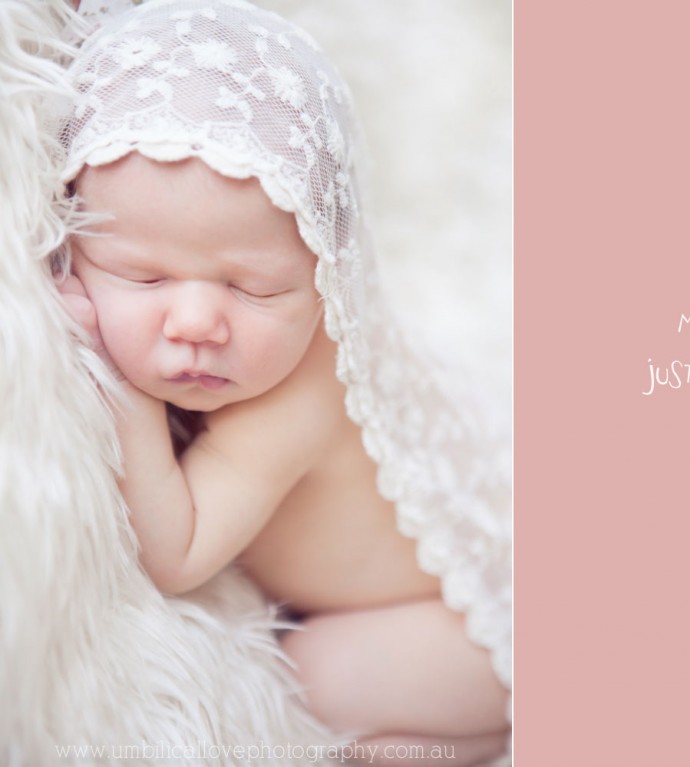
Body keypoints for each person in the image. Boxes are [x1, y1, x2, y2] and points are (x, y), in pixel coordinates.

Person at [54, 1, 512, 765]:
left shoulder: (292, 401)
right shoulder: (230, 348)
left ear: (327, 276)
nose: (196, 320)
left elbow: (178, 551)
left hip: (460, 616)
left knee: (309, 677)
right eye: (142, 275)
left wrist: (121, 385)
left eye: (256, 288)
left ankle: (501, 725)